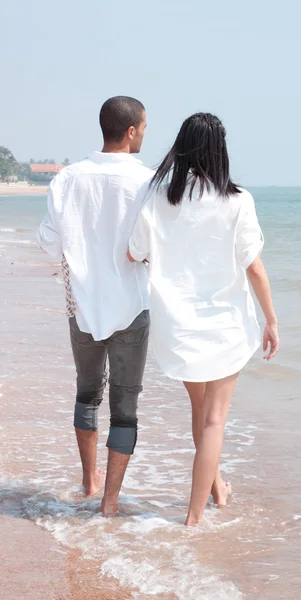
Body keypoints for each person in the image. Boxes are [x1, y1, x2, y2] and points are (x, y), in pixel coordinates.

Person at [128, 112, 279, 526]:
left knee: (201, 412)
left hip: (179, 324)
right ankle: (194, 519)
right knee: (214, 420)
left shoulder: (158, 198)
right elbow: (254, 268)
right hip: (226, 325)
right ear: (220, 150)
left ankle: (218, 489)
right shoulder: (237, 200)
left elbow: (133, 252)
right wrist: (272, 320)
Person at [37, 96, 153, 515]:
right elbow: (151, 245)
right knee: (126, 406)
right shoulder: (148, 182)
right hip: (132, 307)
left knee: (87, 394)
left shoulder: (68, 178)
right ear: (131, 131)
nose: (144, 133)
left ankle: (88, 482)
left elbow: (50, 241)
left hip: (81, 305)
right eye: (144, 127)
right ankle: (109, 504)